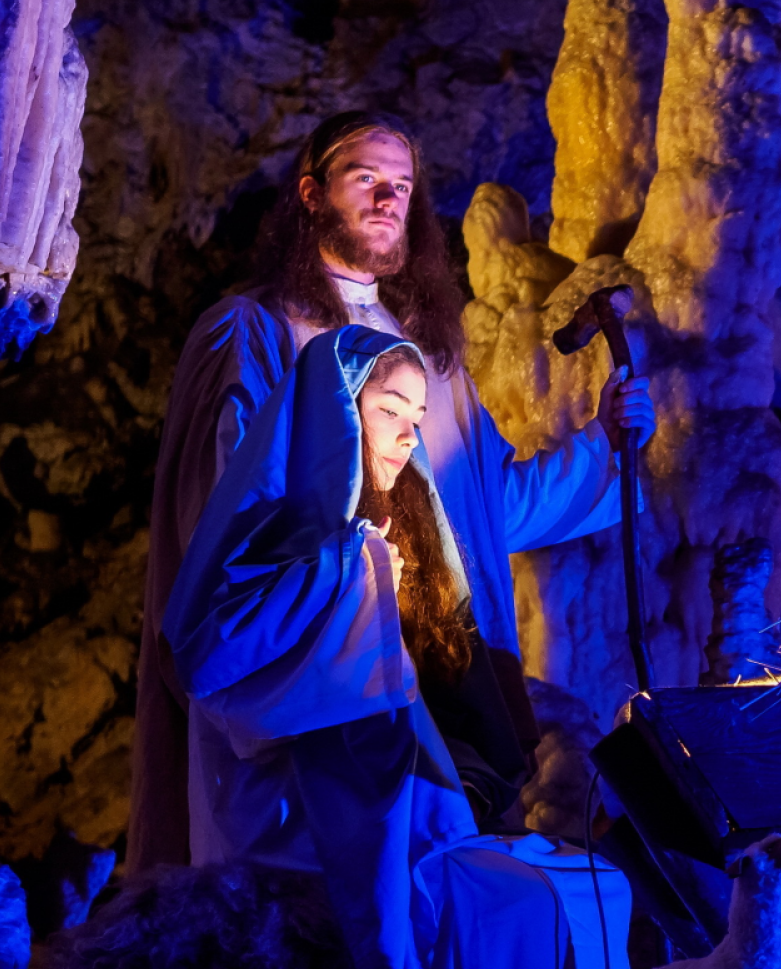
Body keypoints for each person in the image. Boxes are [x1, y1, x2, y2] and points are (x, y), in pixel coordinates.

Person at [132, 107, 650, 868]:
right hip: (316, 678)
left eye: (401, 186)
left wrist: (605, 449)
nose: (386, 200)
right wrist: (342, 577)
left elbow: (481, 512)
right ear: (311, 194)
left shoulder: (429, 361)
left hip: (439, 671)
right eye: (365, 179)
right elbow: (222, 525)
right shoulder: (252, 334)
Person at [165, 324, 624, 969]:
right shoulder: (281, 539)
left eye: (419, 412)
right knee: (508, 910)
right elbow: (221, 666)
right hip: (299, 817)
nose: (412, 430)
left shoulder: (397, 530)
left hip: (393, 794)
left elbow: (414, 700)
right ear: (336, 414)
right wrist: (346, 571)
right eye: (388, 409)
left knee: (595, 890)